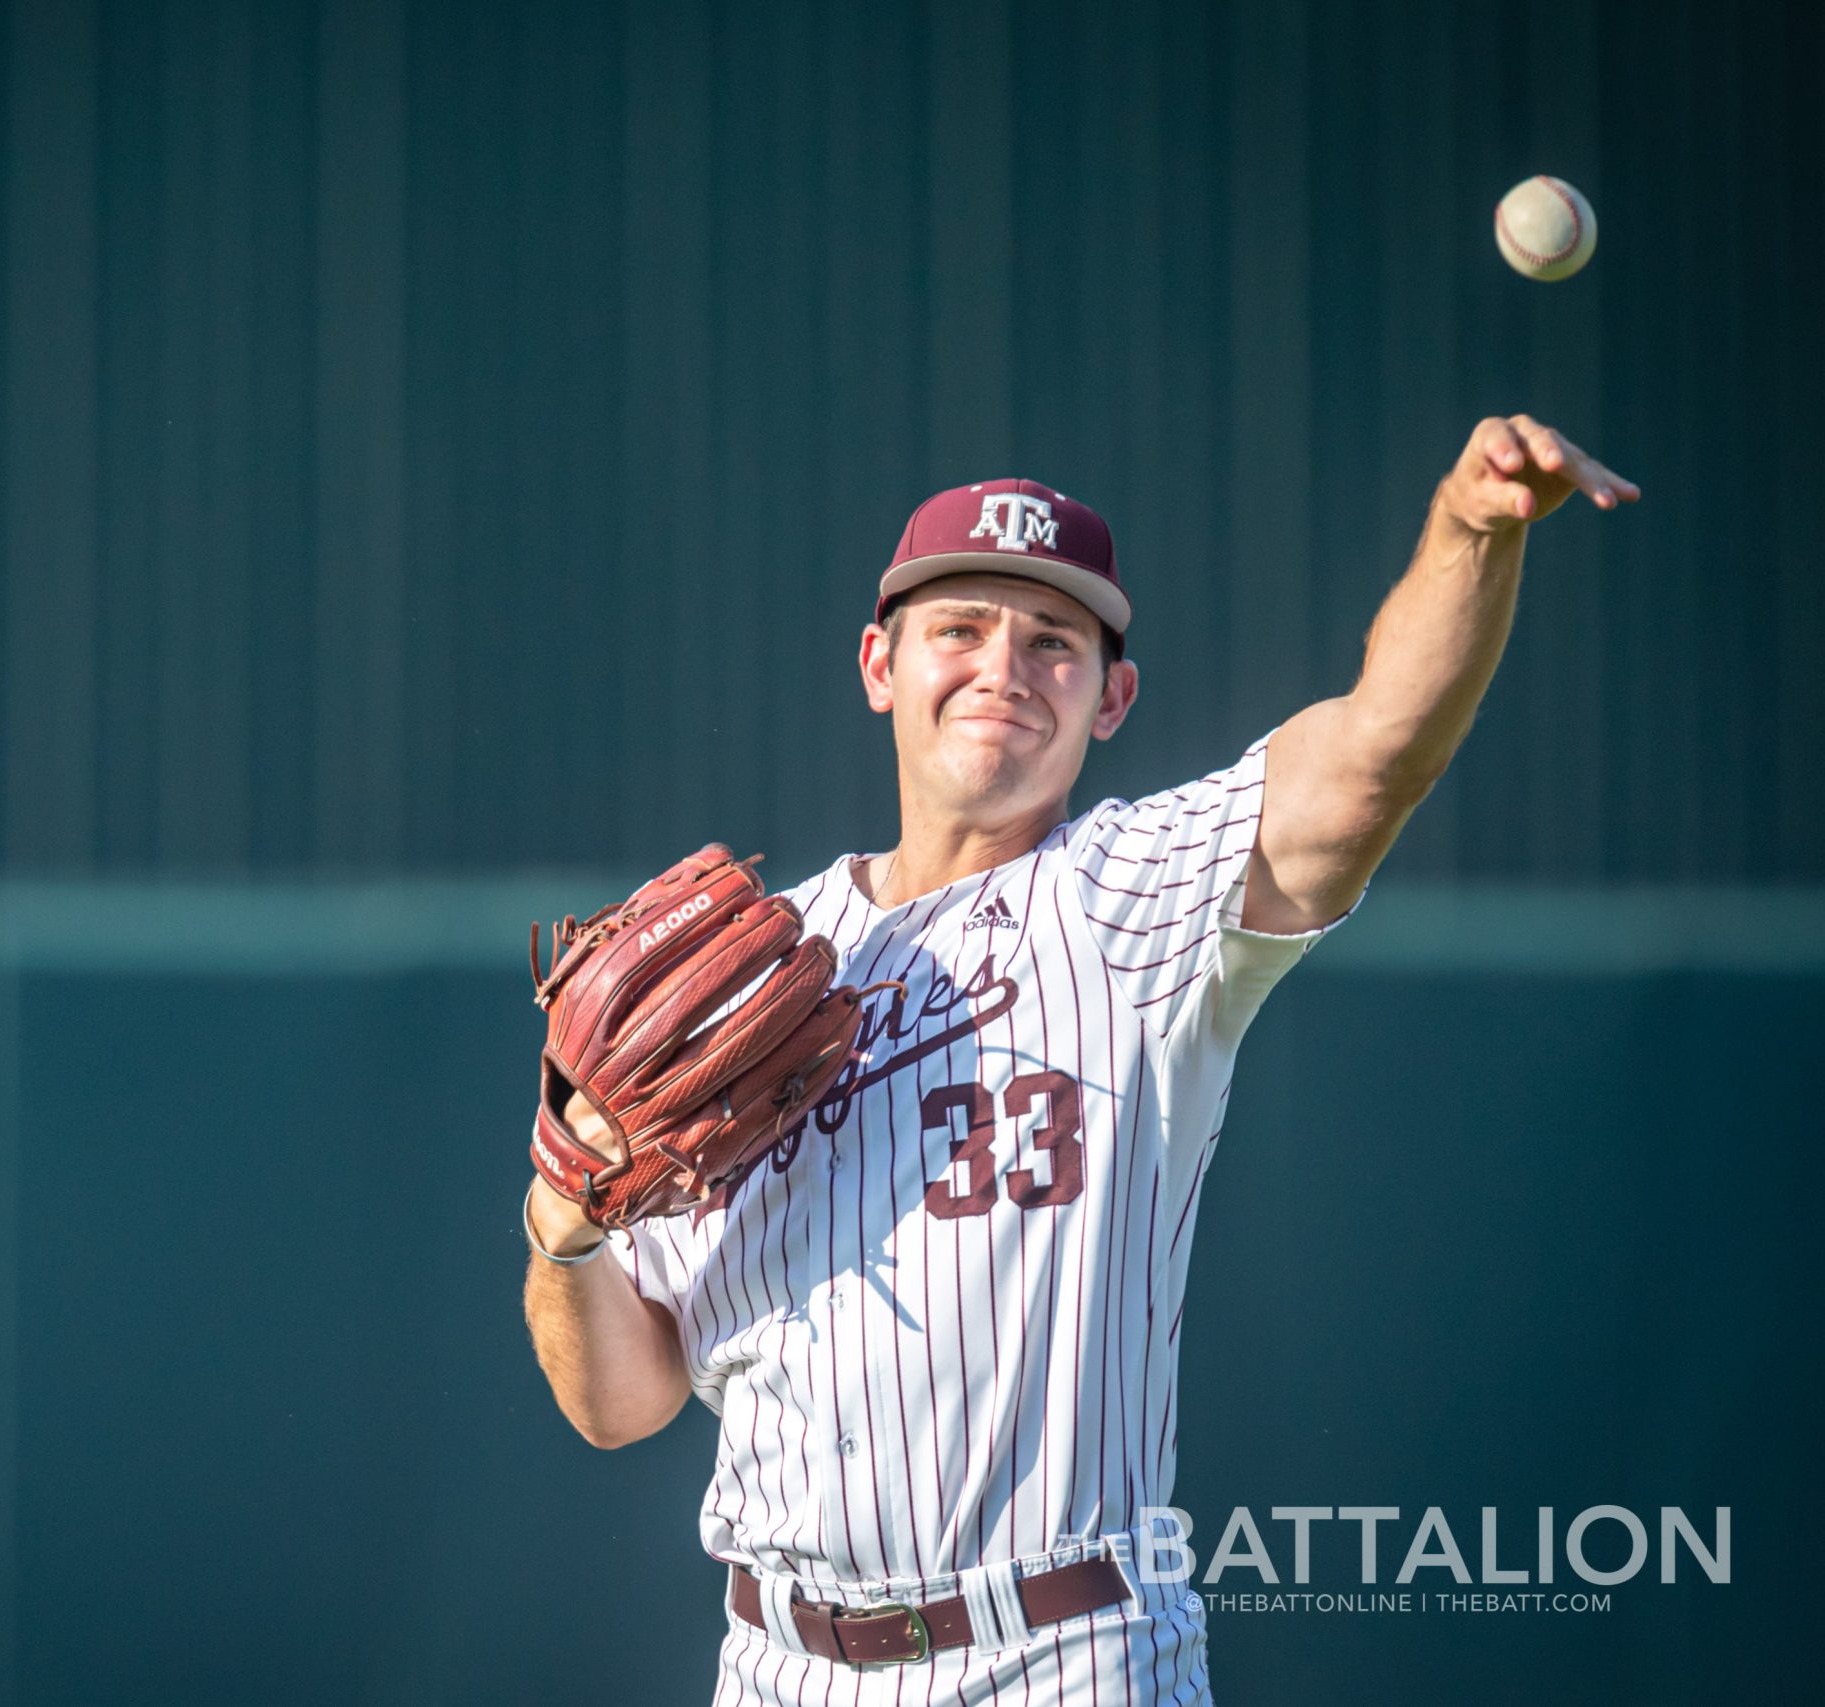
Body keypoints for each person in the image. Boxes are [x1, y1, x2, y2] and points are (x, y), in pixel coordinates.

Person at [520, 418, 1639, 1703]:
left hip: (1059, 1655)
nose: (1005, 666)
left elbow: (1380, 748)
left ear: (1110, 700)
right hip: (778, 1665)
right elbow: (621, 1404)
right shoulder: (741, 979)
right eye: (962, 629)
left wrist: (1469, 529)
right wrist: (562, 1222)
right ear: (880, 663)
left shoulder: (1130, 901)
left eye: (1053, 643)